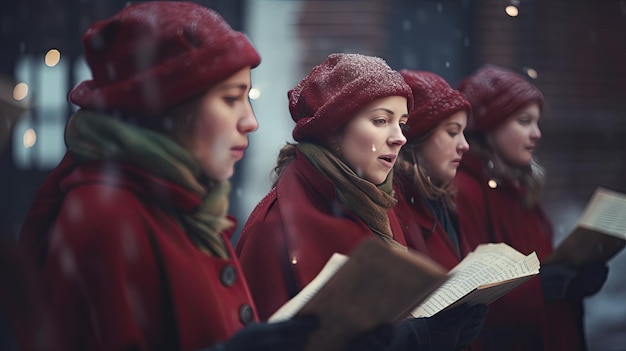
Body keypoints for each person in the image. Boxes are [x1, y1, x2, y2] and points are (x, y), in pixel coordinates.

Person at [14, 3, 382, 350]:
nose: (250, 121)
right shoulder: (104, 217)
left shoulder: (186, 204)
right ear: (170, 107)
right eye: (230, 98)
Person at [236, 53, 486, 350]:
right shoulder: (273, 226)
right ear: (333, 129)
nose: (399, 138)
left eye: (402, 124)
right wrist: (413, 338)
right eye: (381, 120)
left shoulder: (377, 203)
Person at [454, 64, 609, 351]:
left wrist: (573, 284)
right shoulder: (466, 191)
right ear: (490, 126)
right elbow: (466, 296)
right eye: (524, 121)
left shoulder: (519, 189)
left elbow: (541, 266)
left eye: (537, 122)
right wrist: (539, 289)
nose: (536, 133)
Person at [392, 69, 474, 270]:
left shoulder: (442, 197)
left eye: (463, 132)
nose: (464, 145)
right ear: (417, 137)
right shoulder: (396, 204)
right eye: (452, 132)